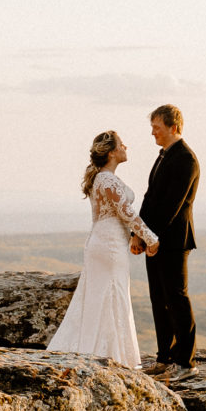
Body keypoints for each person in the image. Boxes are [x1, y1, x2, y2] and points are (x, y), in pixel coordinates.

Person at [43, 129, 158, 368]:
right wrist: (150, 238)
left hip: (107, 241)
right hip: (109, 245)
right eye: (122, 144)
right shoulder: (107, 180)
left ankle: (107, 353)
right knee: (112, 295)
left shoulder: (103, 178)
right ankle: (113, 357)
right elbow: (126, 213)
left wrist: (135, 238)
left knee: (106, 296)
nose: (126, 147)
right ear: (113, 152)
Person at [138, 104, 201, 378]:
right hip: (154, 239)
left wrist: (152, 238)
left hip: (173, 241)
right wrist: (138, 233)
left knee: (176, 298)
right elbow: (149, 198)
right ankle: (164, 357)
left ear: (173, 127)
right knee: (158, 299)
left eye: (157, 127)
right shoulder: (163, 156)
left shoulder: (185, 159)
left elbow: (171, 206)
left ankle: (186, 363)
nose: (153, 133)